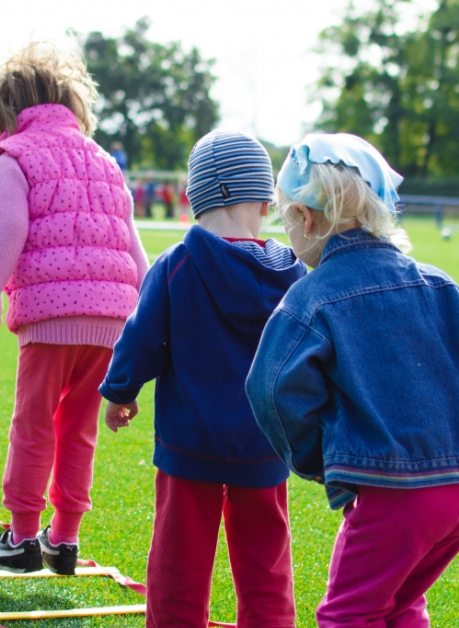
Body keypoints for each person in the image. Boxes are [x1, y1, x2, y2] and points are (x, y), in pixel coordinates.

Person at [248, 133, 459, 628]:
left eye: (285, 220)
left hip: (398, 493)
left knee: (349, 614)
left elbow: (270, 388)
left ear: (306, 218)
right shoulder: (439, 282)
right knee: (400, 602)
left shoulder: (311, 297)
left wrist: (318, 460)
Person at [0, 41, 149, 575]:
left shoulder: (13, 156)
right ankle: (63, 538)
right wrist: (151, 327)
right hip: (113, 320)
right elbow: (133, 247)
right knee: (78, 428)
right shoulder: (104, 160)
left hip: (51, 316)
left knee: (33, 424)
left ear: (6, 114)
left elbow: (5, 232)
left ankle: (19, 538)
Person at [101, 130, 306, 628]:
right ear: (265, 201)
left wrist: (120, 391)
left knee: (179, 563)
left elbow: (141, 338)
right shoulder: (295, 274)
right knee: (266, 565)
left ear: (193, 199)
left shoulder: (177, 265)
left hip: (189, 444)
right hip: (265, 445)